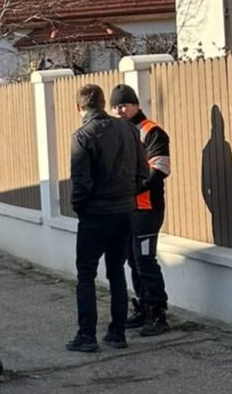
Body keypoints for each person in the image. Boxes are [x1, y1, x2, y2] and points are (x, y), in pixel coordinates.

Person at [67, 84, 147, 353]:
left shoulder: (82, 136)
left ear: (79, 107)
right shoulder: (128, 129)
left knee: (86, 275)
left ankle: (87, 335)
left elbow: (81, 184)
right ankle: (117, 332)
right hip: (124, 211)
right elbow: (142, 172)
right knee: (117, 273)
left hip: (95, 215)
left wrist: (80, 208)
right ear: (103, 103)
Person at [110, 84, 171, 336]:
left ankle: (158, 313)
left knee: (145, 260)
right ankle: (143, 307)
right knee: (133, 260)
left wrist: (133, 190)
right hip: (127, 209)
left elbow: (160, 170)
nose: (119, 110)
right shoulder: (118, 132)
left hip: (147, 209)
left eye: (124, 105)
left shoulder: (152, 132)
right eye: (115, 106)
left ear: (136, 105)